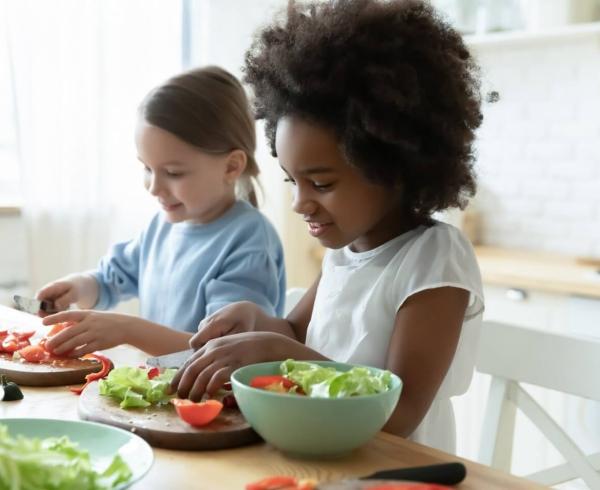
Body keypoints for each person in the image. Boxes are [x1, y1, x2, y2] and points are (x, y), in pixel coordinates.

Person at [170, 0, 485, 453]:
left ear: (393, 165)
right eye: (292, 181)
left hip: (397, 472)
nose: (300, 203)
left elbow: (399, 411)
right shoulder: (346, 250)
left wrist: (281, 355)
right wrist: (260, 323)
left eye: (320, 182)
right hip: (324, 458)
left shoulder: (433, 258)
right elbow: (296, 335)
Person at [38, 66, 286, 357]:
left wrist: (126, 329)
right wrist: (77, 287)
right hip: (162, 392)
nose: (154, 187)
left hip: (215, 399)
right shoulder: (162, 226)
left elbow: (222, 352)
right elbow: (110, 280)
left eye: (173, 172)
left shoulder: (249, 240)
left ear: (231, 167)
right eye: (147, 168)